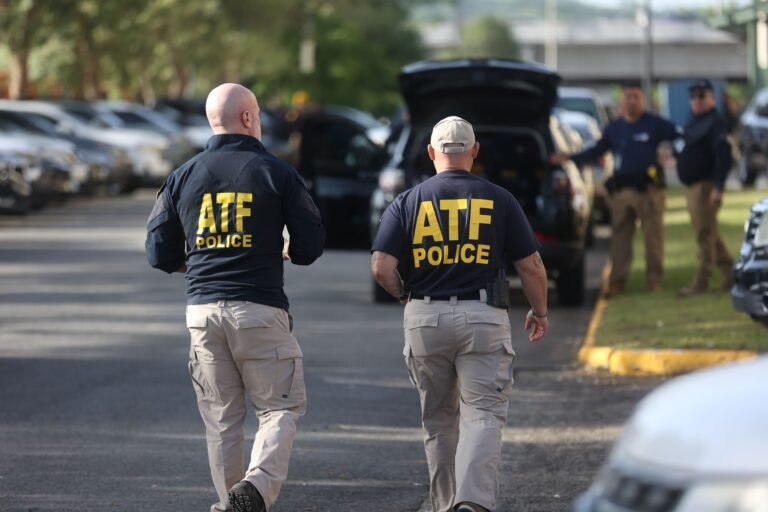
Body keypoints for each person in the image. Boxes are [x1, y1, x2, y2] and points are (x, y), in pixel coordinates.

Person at [145, 83, 325, 512]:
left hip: (202, 311)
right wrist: (283, 248)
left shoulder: (182, 175)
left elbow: (157, 251)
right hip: (259, 309)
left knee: (222, 421)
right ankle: (256, 488)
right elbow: (310, 247)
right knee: (280, 409)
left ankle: (231, 505)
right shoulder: (277, 173)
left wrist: (198, 263)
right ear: (248, 118)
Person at [371, 116, 549, 512]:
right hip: (483, 317)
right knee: (483, 413)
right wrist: (540, 310)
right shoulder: (500, 199)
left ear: (432, 153)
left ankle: (445, 503)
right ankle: (471, 503)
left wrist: (405, 296)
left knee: (438, 421)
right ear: (475, 152)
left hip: (425, 316)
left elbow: (382, 266)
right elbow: (532, 266)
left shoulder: (408, 200)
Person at [550, 83, 682, 296]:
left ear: (643, 100)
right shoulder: (615, 128)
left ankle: (654, 281)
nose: (632, 101)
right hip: (622, 192)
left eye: (636, 97)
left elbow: (680, 136)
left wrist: (675, 157)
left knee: (653, 238)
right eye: (628, 97)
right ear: (621, 102)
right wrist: (568, 157)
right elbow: (596, 151)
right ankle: (617, 282)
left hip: (649, 192)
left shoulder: (654, 124)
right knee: (620, 239)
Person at [676, 79, 735, 296]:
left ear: (712, 98)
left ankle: (701, 282)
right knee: (710, 233)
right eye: (693, 97)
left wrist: (718, 187)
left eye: (702, 96)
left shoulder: (715, 122)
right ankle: (731, 274)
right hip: (692, 186)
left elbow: (723, 157)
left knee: (704, 234)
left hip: (706, 186)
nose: (697, 101)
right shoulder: (694, 121)